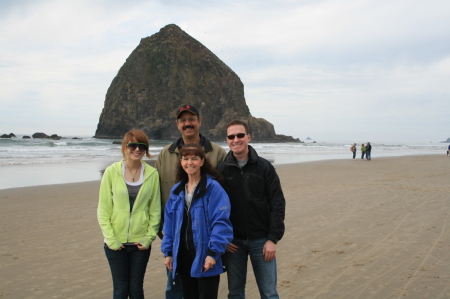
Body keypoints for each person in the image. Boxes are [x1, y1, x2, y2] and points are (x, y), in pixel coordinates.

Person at [155, 104, 227, 298]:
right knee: (176, 288)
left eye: (192, 119)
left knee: (206, 291)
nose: (188, 124)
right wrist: (167, 247)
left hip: (206, 243)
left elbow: (224, 209)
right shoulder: (165, 156)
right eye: (183, 120)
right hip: (177, 242)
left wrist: (216, 248)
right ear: (178, 124)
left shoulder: (219, 154)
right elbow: (159, 199)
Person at [217, 120, 286, 299]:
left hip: (262, 241)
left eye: (240, 135)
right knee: (235, 294)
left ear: (248, 137)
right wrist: (223, 239)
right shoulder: (221, 170)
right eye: (231, 136)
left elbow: (277, 203)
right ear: (227, 140)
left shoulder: (264, 167)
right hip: (233, 243)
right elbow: (214, 208)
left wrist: (272, 239)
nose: (236, 139)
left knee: (269, 293)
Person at [161, 144, 233, 299]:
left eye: (194, 158)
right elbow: (169, 225)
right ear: (181, 162)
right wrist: (168, 252)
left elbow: (221, 223)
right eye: (186, 159)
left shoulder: (213, 188)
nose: (190, 162)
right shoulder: (177, 191)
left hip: (205, 255)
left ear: (202, 161)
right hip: (182, 255)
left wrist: (213, 253)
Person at [97, 130, 161, 299]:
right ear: (125, 147)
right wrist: (111, 239)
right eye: (132, 145)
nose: (137, 149)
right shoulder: (111, 172)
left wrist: (149, 238)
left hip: (140, 243)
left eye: (142, 146)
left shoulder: (152, 174)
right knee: (120, 290)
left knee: (136, 289)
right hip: (115, 243)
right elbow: (103, 209)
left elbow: (155, 210)